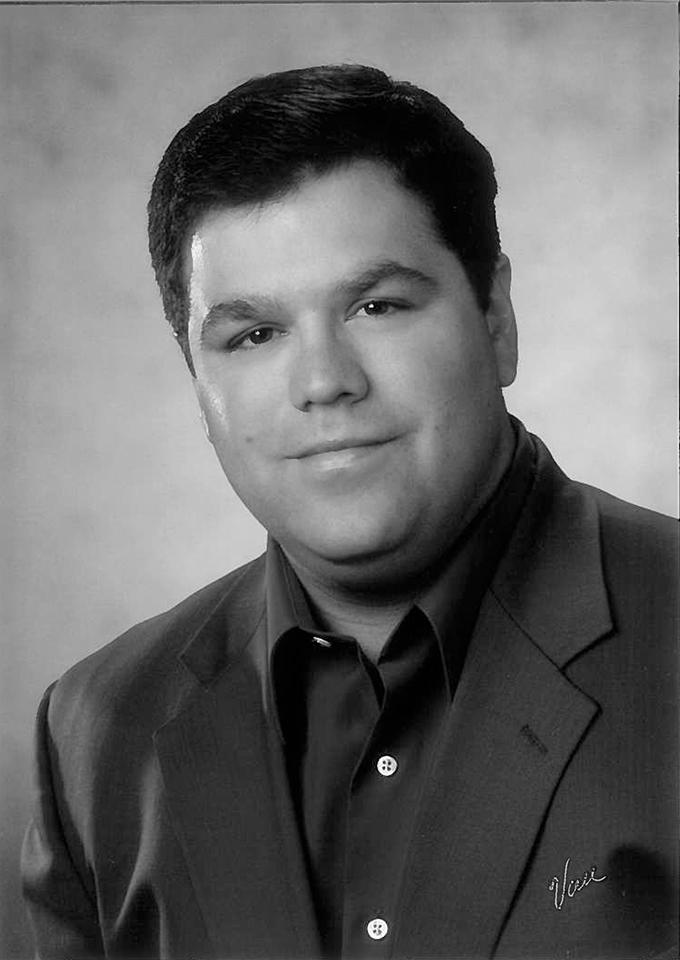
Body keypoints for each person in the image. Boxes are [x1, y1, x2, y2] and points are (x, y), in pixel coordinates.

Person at [21, 64, 678, 960]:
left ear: (495, 317)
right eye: (255, 334)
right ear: (198, 382)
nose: (325, 382)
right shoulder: (97, 731)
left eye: (377, 305)